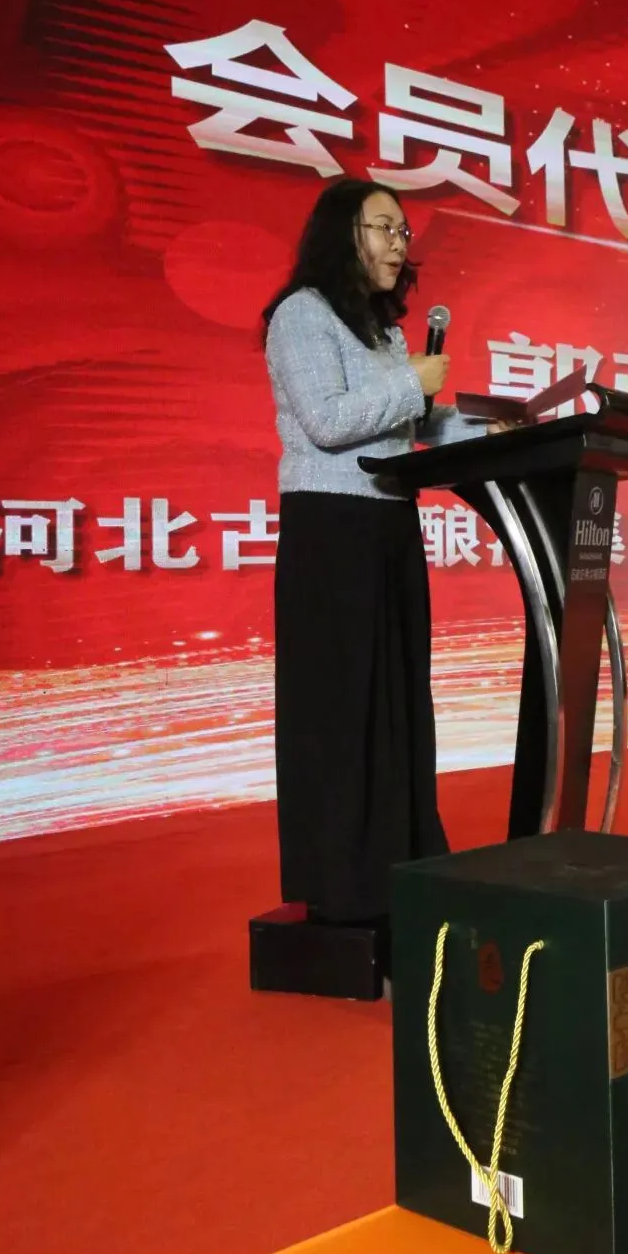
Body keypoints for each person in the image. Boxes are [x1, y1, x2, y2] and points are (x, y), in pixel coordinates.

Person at [261, 179, 473, 971]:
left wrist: (493, 422)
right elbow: (326, 421)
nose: (399, 243)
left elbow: (406, 425)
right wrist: (411, 382)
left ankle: (401, 868)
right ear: (341, 233)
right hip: (332, 532)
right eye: (384, 226)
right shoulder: (302, 315)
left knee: (397, 704)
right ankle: (343, 886)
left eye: (404, 231)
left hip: (388, 526)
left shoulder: (381, 330)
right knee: (342, 709)